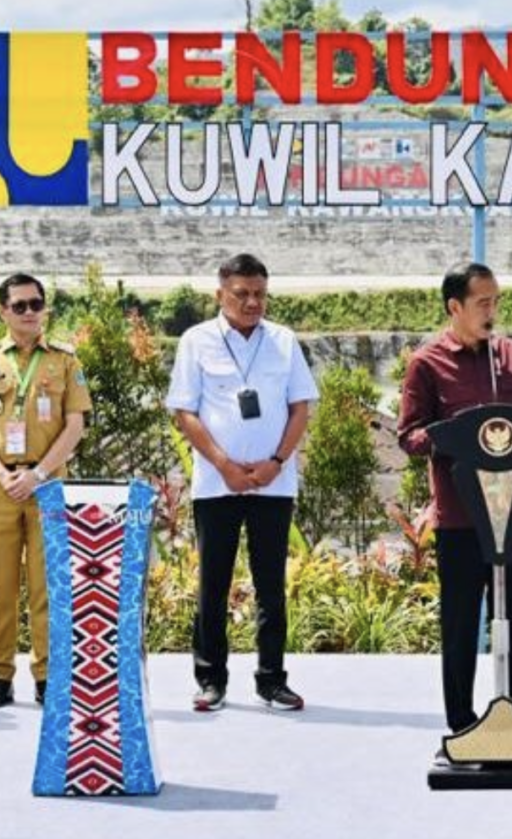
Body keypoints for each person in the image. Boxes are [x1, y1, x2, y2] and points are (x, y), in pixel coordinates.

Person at [397, 261, 512, 748]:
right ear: (455, 307)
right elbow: (410, 436)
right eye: (483, 302)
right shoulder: (427, 363)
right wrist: (458, 437)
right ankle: (461, 723)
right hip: (462, 517)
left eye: (496, 301)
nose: (492, 311)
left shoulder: (509, 357)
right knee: (461, 621)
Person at [165, 253, 317, 712]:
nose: (253, 303)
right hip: (218, 483)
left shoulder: (284, 341)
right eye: (242, 294)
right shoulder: (197, 341)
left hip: (274, 481)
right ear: (220, 295)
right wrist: (225, 464)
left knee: (271, 585)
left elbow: (300, 408)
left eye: (260, 294)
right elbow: (183, 412)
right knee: (213, 583)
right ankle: (210, 678)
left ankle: (272, 679)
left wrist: (274, 461)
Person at [0, 273, 90, 711]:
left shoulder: (65, 361)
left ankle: (48, 675)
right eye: (20, 306)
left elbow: (75, 425)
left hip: (47, 486)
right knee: (1, 584)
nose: (30, 313)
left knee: (47, 584)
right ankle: (0, 674)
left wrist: (39, 473)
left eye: (36, 304)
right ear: (3, 311)